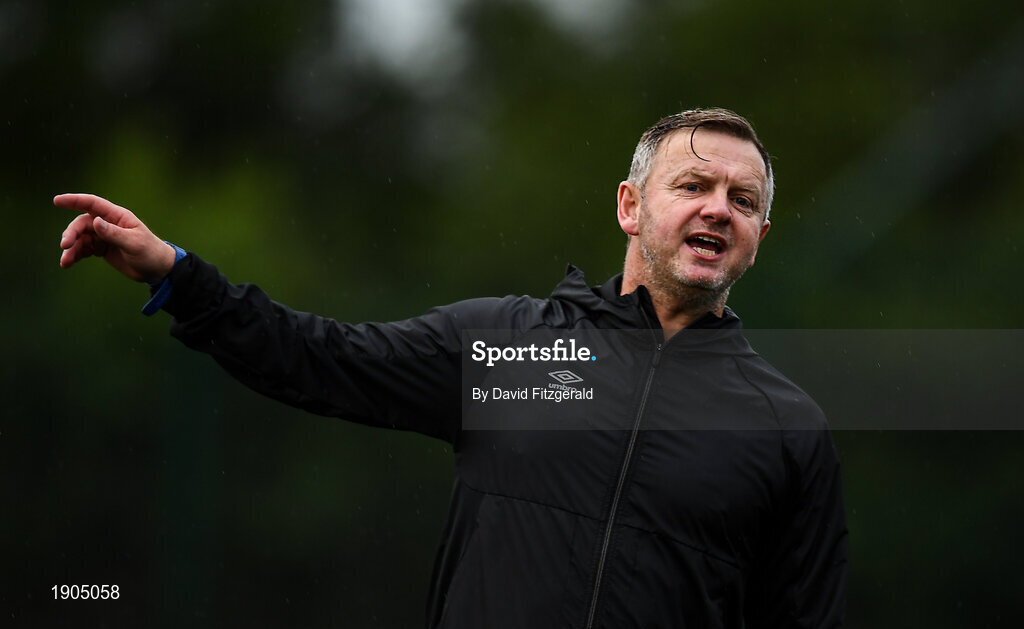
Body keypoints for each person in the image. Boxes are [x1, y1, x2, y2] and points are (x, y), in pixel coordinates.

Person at [56, 108, 848, 628]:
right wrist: (178, 273)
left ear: (760, 235)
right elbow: (319, 358)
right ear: (630, 208)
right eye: (694, 185)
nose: (719, 208)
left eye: (743, 201)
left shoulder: (785, 428)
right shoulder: (507, 348)